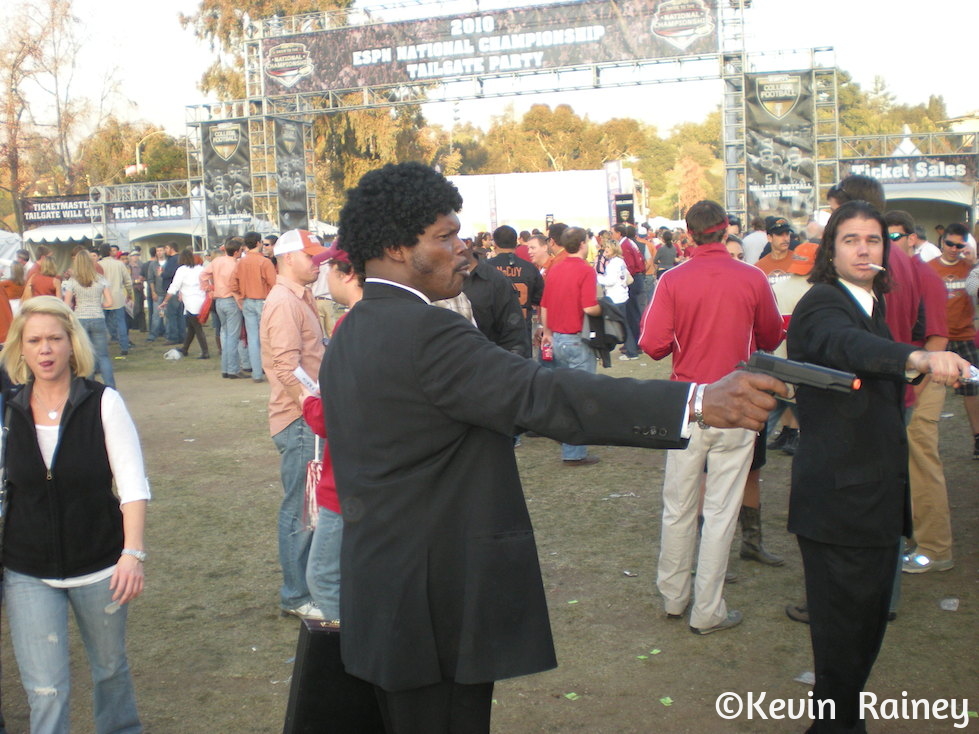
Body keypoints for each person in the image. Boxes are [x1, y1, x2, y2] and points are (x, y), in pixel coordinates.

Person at [321, 162, 786, 733]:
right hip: (434, 602)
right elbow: (543, 393)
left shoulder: (355, 329)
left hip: (388, 592)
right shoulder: (424, 333)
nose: (463, 249)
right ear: (394, 246)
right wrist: (694, 404)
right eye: (444, 236)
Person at [786, 202, 970, 732]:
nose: (864, 248)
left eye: (873, 239)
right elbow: (845, 346)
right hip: (841, 503)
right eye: (850, 240)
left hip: (868, 495)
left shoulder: (869, 302)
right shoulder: (824, 302)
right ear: (831, 250)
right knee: (844, 642)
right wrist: (914, 359)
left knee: (859, 638)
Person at [0, 296, 149, 733]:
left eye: (54, 339)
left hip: (101, 566)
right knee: (45, 690)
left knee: (109, 671)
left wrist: (132, 554)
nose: (45, 349)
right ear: (20, 349)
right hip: (27, 570)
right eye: (34, 341)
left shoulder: (103, 403)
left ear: (71, 345)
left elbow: (133, 486)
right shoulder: (9, 413)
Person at [639, 200, 784, 634]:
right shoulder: (752, 277)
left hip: (687, 403)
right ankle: (708, 609)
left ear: (688, 235)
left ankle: (673, 596)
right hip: (737, 403)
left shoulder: (673, 279)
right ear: (726, 232)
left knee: (678, 506)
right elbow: (774, 335)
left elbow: (652, 344)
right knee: (721, 510)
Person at [260, 229, 328, 621]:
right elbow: (287, 368)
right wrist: (312, 403)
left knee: (309, 508)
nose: (317, 263)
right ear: (288, 258)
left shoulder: (298, 298)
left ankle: (302, 590)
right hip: (300, 420)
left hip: (304, 417)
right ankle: (296, 594)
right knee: (301, 509)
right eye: (310, 256)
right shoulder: (285, 302)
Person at [300, 243, 362, 622]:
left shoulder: (350, 326)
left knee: (323, 577)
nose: (324, 276)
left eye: (330, 270)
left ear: (348, 273)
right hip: (377, 478)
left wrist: (306, 402)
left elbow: (335, 415)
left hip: (349, 481)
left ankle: (356, 663)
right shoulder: (386, 319)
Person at [926, 222, 979, 459]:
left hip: (964, 335)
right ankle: (925, 441)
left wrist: (974, 261)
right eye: (950, 243)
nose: (953, 249)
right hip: (937, 337)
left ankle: (977, 438)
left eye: (959, 245)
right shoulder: (928, 268)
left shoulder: (970, 269)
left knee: (973, 390)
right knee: (928, 389)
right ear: (942, 241)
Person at [62, 249, 116, 389]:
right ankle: (111, 386)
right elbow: (110, 302)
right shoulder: (100, 279)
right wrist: (99, 305)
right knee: (103, 355)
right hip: (98, 317)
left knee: (87, 355)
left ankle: (89, 387)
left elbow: (67, 304)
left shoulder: (73, 282)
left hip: (81, 318)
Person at [231, 231, 277, 383]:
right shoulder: (264, 262)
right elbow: (274, 283)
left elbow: (233, 283)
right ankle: (270, 371)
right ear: (258, 243)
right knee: (268, 338)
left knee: (252, 338)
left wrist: (239, 298)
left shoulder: (240, 262)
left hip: (247, 301)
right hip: (263, 301)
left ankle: (256, 373)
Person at [160, 248, 209, 359]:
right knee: (192, 327)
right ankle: (185, 348)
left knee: (197, 328)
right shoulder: (200, 268)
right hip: (201, 300)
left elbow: (174, 286)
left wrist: (165, 301)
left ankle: (205, 352)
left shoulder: (182, 270)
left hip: (191, 302)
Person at [99, 244, 134, 355]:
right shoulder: (119, 264)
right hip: (117, 296)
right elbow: (128, 281)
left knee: (102, 324)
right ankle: (124, 347)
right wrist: (129, 293)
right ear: (110, 251)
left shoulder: (98, 265)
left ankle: (102, 346)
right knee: (121, 322)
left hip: (102, 298)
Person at [597, 238, 630, 306]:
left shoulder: (613, 264)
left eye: (608, 247)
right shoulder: (620, 261)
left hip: (615, 297)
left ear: (614, 249)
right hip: (623, 295)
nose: (606, 249)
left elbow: (610, 281)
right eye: (606, 247)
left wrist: (597, 278)